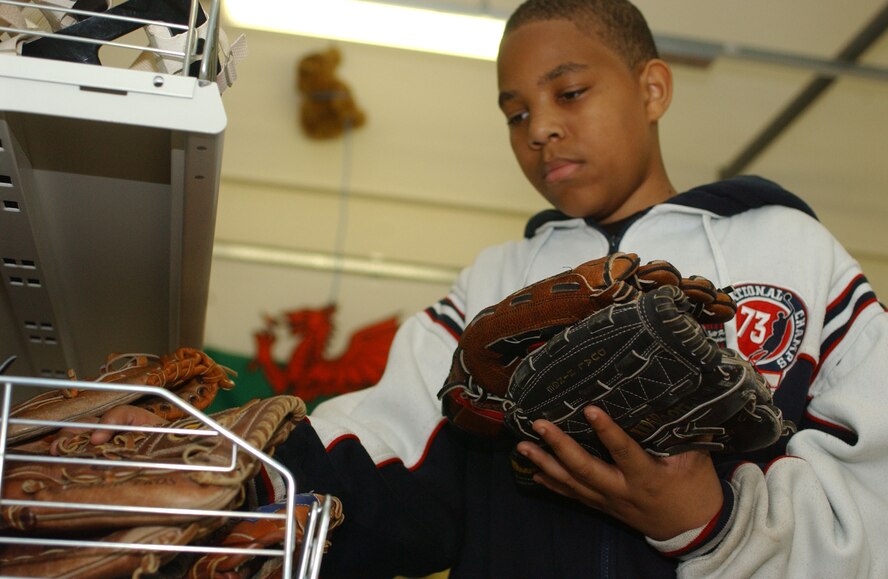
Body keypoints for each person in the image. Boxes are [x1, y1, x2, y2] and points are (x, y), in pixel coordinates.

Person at [74, 0, 888, 577]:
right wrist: (215, 465)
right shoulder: (494, 284)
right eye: (513, 111)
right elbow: (383, 451)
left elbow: (875, 500)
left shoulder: (787, 250)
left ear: (652, 89)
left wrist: (713, 522)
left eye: (569, 93)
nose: (538, 127)